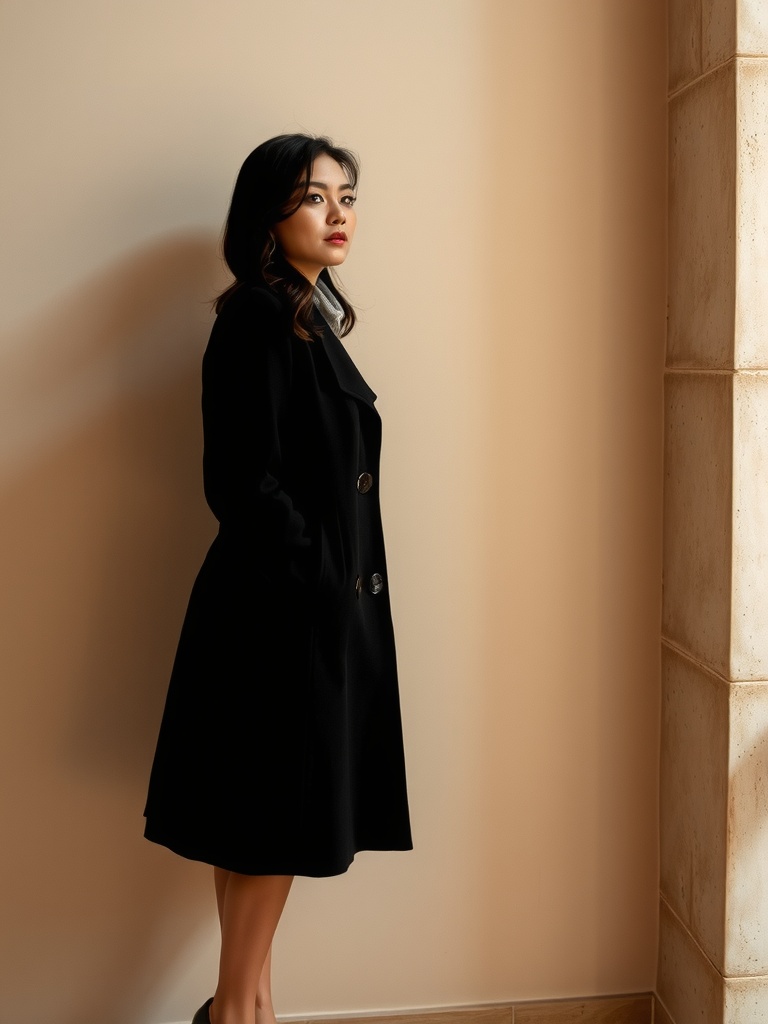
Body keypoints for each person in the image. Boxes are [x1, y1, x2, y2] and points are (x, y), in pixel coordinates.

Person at [143, 133, 412, 1024]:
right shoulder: (259, 317)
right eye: (312, 196)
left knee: (262, 823)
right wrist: (322, 576)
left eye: (347, 196)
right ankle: (237, 1013)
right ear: (268, 216)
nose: (338, 213)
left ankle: (248, 1004)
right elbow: (241, 483)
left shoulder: (301, 313)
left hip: (292, 611)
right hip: (280, 617)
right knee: (275, 826)